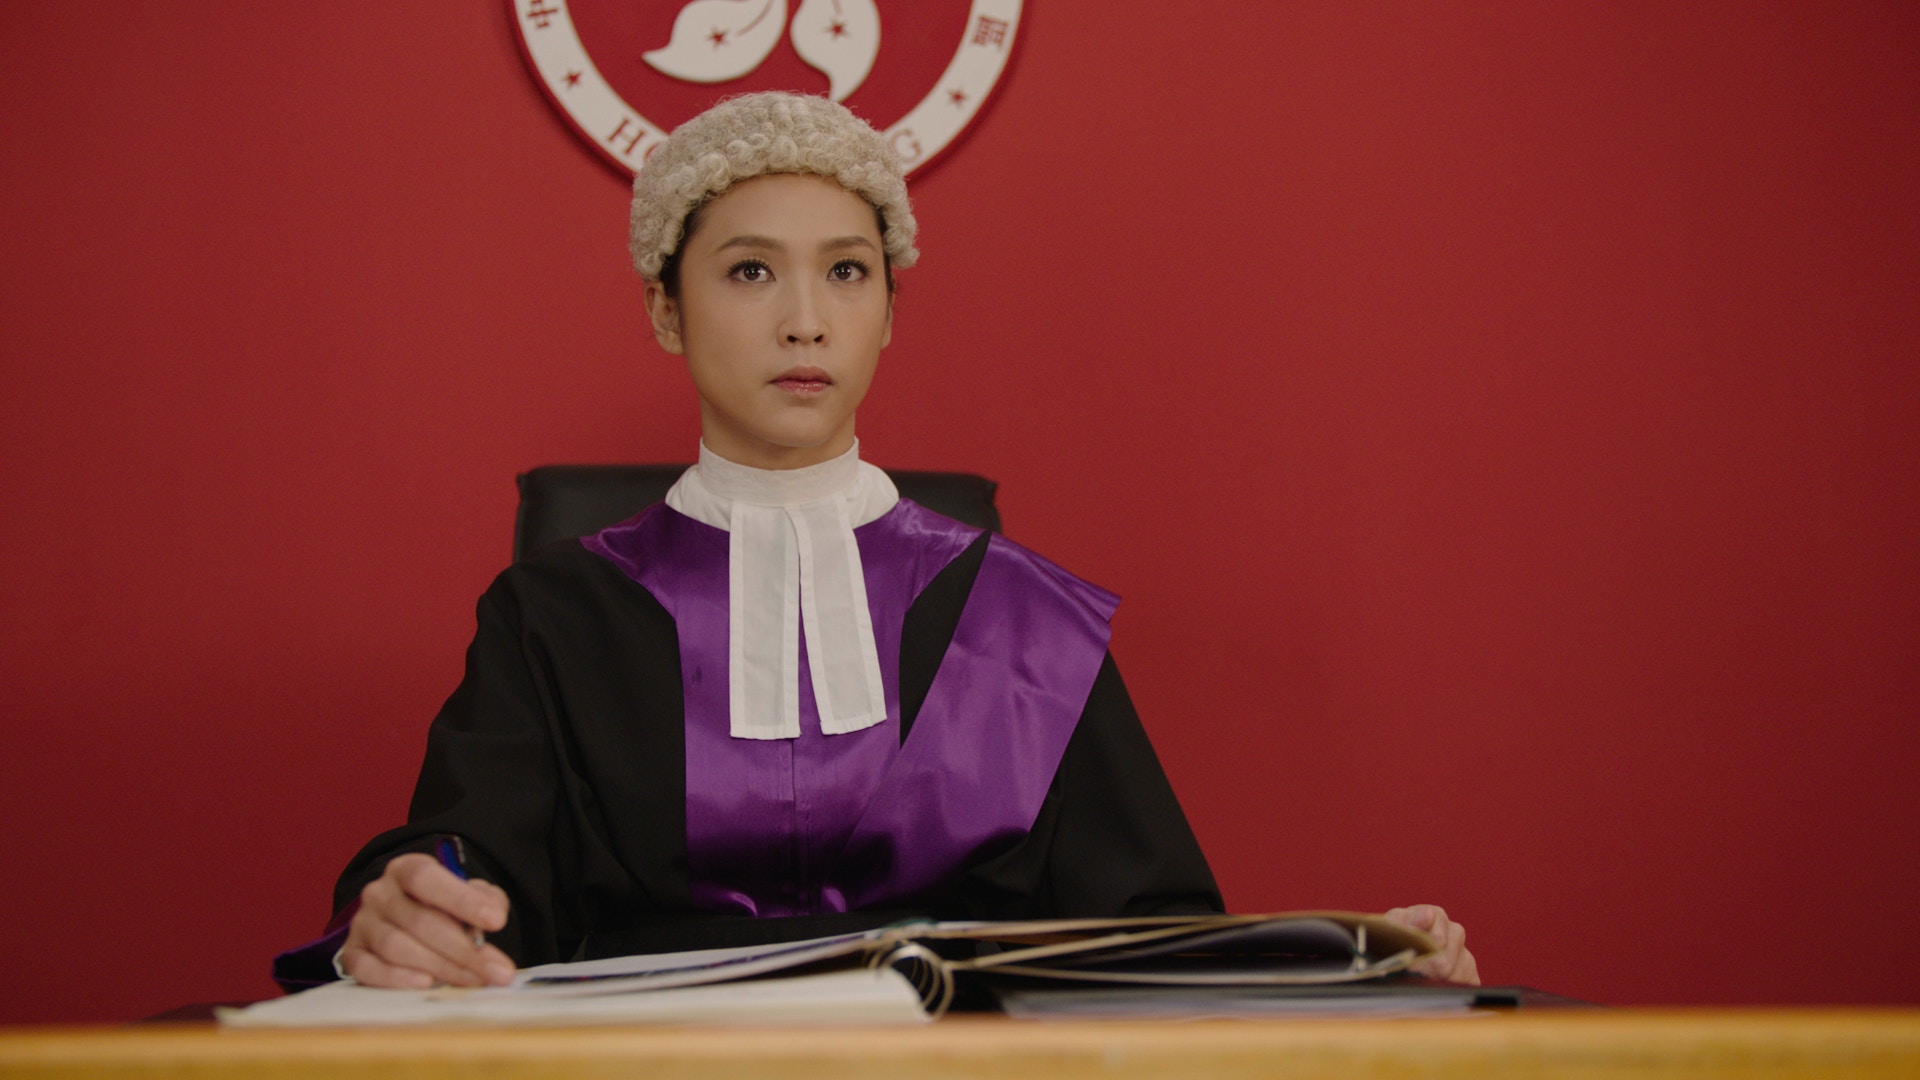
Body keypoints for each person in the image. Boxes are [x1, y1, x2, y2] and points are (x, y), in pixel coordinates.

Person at [274, 92, 1478, 993]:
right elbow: (466, 864)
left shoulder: (1022, 619)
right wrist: (414, 909)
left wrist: (1360, 965)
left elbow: (1149, 938)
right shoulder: (552, 614)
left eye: (847, 273)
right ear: (664, 307)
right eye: (751, 270)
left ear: (890, 312)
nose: (806, 320)